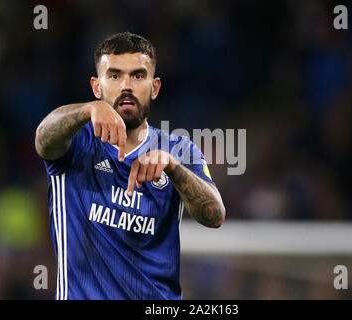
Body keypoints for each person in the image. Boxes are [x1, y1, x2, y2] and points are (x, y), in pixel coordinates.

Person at [35, 32, 226, 300]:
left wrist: (173, 168)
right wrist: (85, 111)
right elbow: (43, 138)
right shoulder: (76, 142)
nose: (126, 85)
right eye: (114, 76)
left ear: (155, 87)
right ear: (96, 86)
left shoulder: (179, 150)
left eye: (138, 76)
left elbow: (215, 216)